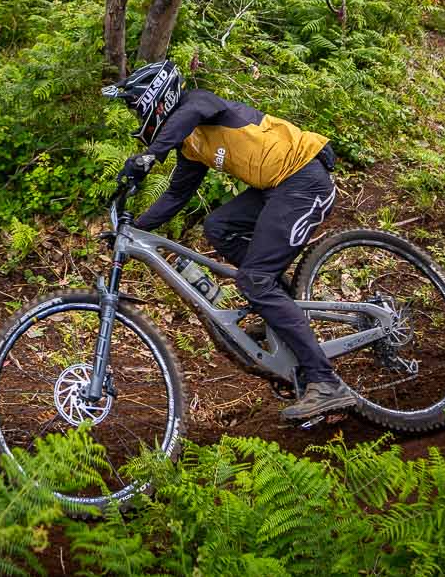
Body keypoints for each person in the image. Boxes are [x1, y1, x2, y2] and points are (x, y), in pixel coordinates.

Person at [102, 61, 356, 422]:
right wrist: (132, 228)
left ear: (156, 100)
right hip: (275, 188)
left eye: (135, 107)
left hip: (303, 180)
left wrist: (150, 155)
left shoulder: (200, 104)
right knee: (218, 226)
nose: (135, 115)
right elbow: (177, 195)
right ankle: (276, 301)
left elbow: (192, 113)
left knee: (254, 279)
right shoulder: (191, 145)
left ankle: (326, 382)